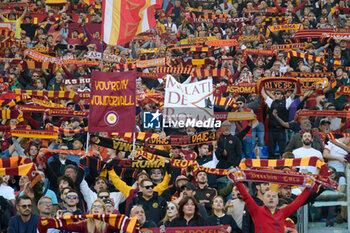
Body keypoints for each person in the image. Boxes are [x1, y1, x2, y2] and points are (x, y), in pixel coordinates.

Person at [233, 170, 313, 233]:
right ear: (263, 200)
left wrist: (308, 188)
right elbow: (246, 197)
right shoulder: (256, 210)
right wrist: (238, 180)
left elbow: (297, 203)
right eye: (268, 196)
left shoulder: (282, 212)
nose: (271, 198)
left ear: (277, 201)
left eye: (274, 196)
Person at [51, 199, 118, 232]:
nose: (96, 208)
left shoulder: (108, 224)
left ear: (103, 211)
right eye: (94, 206)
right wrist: (58, 219)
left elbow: (122, 223)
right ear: (91, 211)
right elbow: (68, 226)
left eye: (99, 207)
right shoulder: (85, 223)